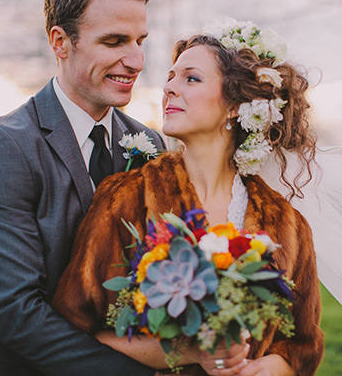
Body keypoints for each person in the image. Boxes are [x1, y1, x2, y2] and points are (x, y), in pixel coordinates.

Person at [51, 23, 325, 375]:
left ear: (235, 105)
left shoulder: (287, 224)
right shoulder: (125, 200)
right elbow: (76, 327)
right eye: (170, 77)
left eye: (191, 79)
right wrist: (186, 352)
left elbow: (303, 343)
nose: (168, 88)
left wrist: (276, 366)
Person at [0, 0, 166, 374]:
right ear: (60, 41)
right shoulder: (5, 144)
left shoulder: (151, 145)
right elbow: (15, 314)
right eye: (114, 41)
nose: (136, 60)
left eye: (140, 41)